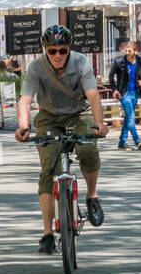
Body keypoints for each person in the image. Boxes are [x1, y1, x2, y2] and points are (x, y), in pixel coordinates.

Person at [16, 25, 109, 254]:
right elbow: (25, 100)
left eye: (62, 50)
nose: (58, 55)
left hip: (78, 114)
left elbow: (93, 95)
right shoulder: (36, 67)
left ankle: (92, 195)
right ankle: (47, 234)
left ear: (69, 49)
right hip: (49, 119)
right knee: (49, 170)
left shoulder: (81, 63)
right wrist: (23, 126)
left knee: (88, 148)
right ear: (45, 50)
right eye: (52, 50)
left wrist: (100, 124)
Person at [107, 41, 141, 150]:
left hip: (134, 92)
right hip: (123, 93)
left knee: (127, 117)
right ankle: (137, 140)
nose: (127, 53)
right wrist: (114, 89)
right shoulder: (119, 62)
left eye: (129, 51)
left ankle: (122, 142)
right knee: (131, 116)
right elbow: (111, 76)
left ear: (135, 51)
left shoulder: (140, 62)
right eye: (126, 50)